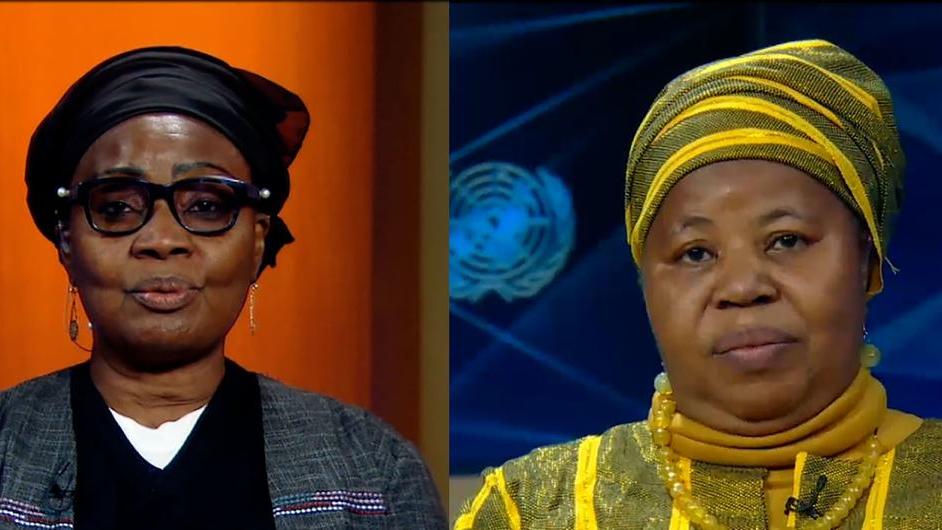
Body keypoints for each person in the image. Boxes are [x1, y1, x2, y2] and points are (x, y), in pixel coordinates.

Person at [455, 39, 942, 530]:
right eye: (695, 253)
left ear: (867, 261)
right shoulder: (533, 510)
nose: (743, 287)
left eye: (787, 240)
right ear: (646, 286)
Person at [0, 46, 445, 530]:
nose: (162, 240)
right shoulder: (8, 448)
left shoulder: (375, 468)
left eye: (207, 206)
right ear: (67, 242)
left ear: (257, 242)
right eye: (117, 208)